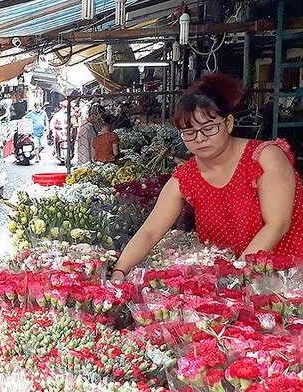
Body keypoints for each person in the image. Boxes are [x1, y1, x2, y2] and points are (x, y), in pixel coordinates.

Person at [111, 73, 303, 281]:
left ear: (228, 123)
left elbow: (277, 224)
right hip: (233, 283)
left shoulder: (265, 158)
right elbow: (149, 232)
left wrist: (235, 275)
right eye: (189, 132)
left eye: (208, 128)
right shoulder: (187, 177)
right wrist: (120, 270)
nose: (200, 139)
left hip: (287, 277)